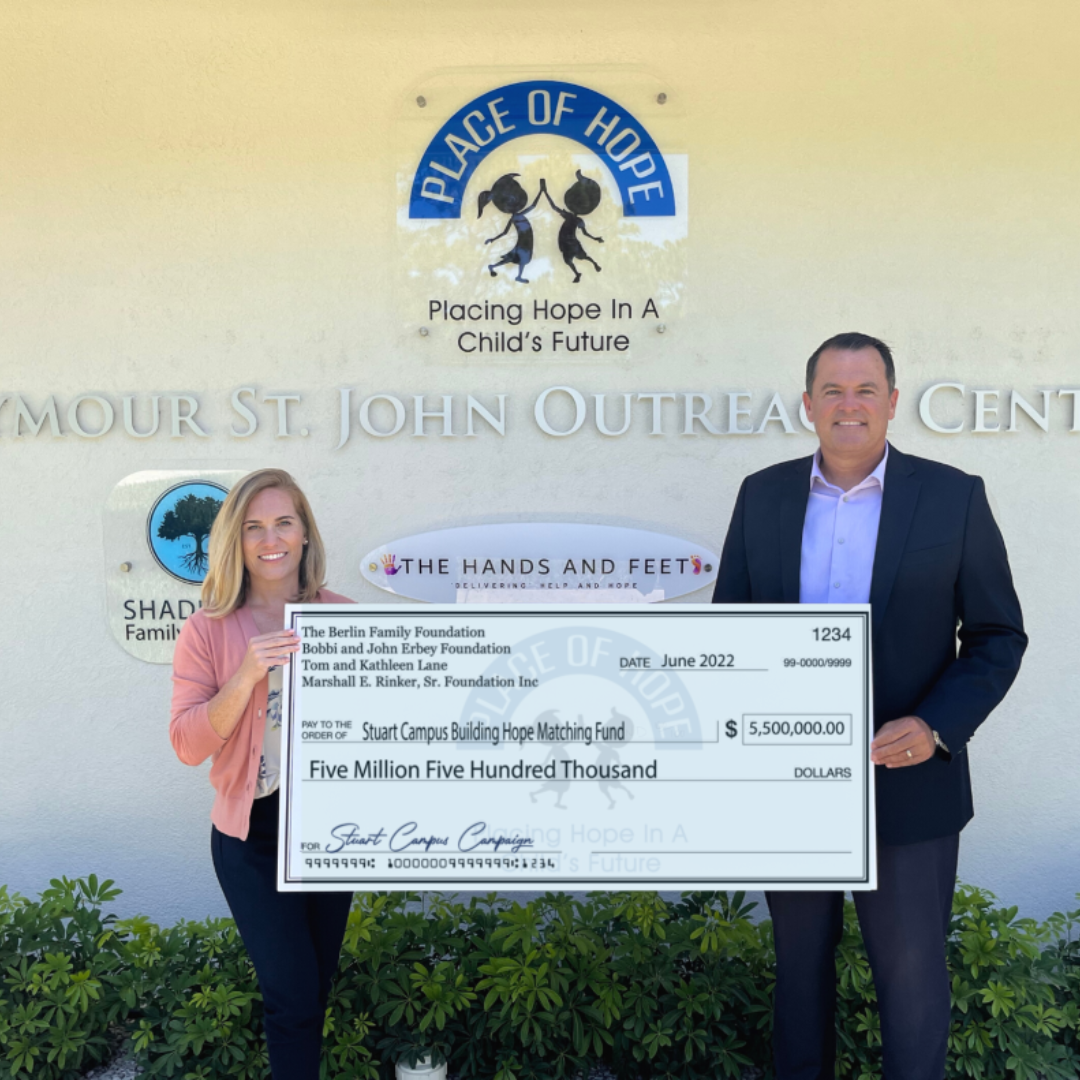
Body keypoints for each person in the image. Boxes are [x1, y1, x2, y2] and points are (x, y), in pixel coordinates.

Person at [712, 333, 1027, 1080]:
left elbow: (997, 635)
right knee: (798, 975)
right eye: (832, 390)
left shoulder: (953, 496)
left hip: (909, 778)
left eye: (864, 390)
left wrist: (936, 727)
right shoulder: (762, 495)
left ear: (891, 401)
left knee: (912, 980)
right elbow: (728, 633)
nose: (847, 404)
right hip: (788, 779)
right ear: (807, 404)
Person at [170, 468, 354, 1080]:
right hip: (251, 833)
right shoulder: (209, 628)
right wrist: (246, 675)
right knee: (292, 996)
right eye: (253, 526)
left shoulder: (345, 617)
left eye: (283, 523)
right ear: (236, 539)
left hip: (330, 832)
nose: (270, 539)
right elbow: (187, 743)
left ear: (304, 533)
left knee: (314, 989)